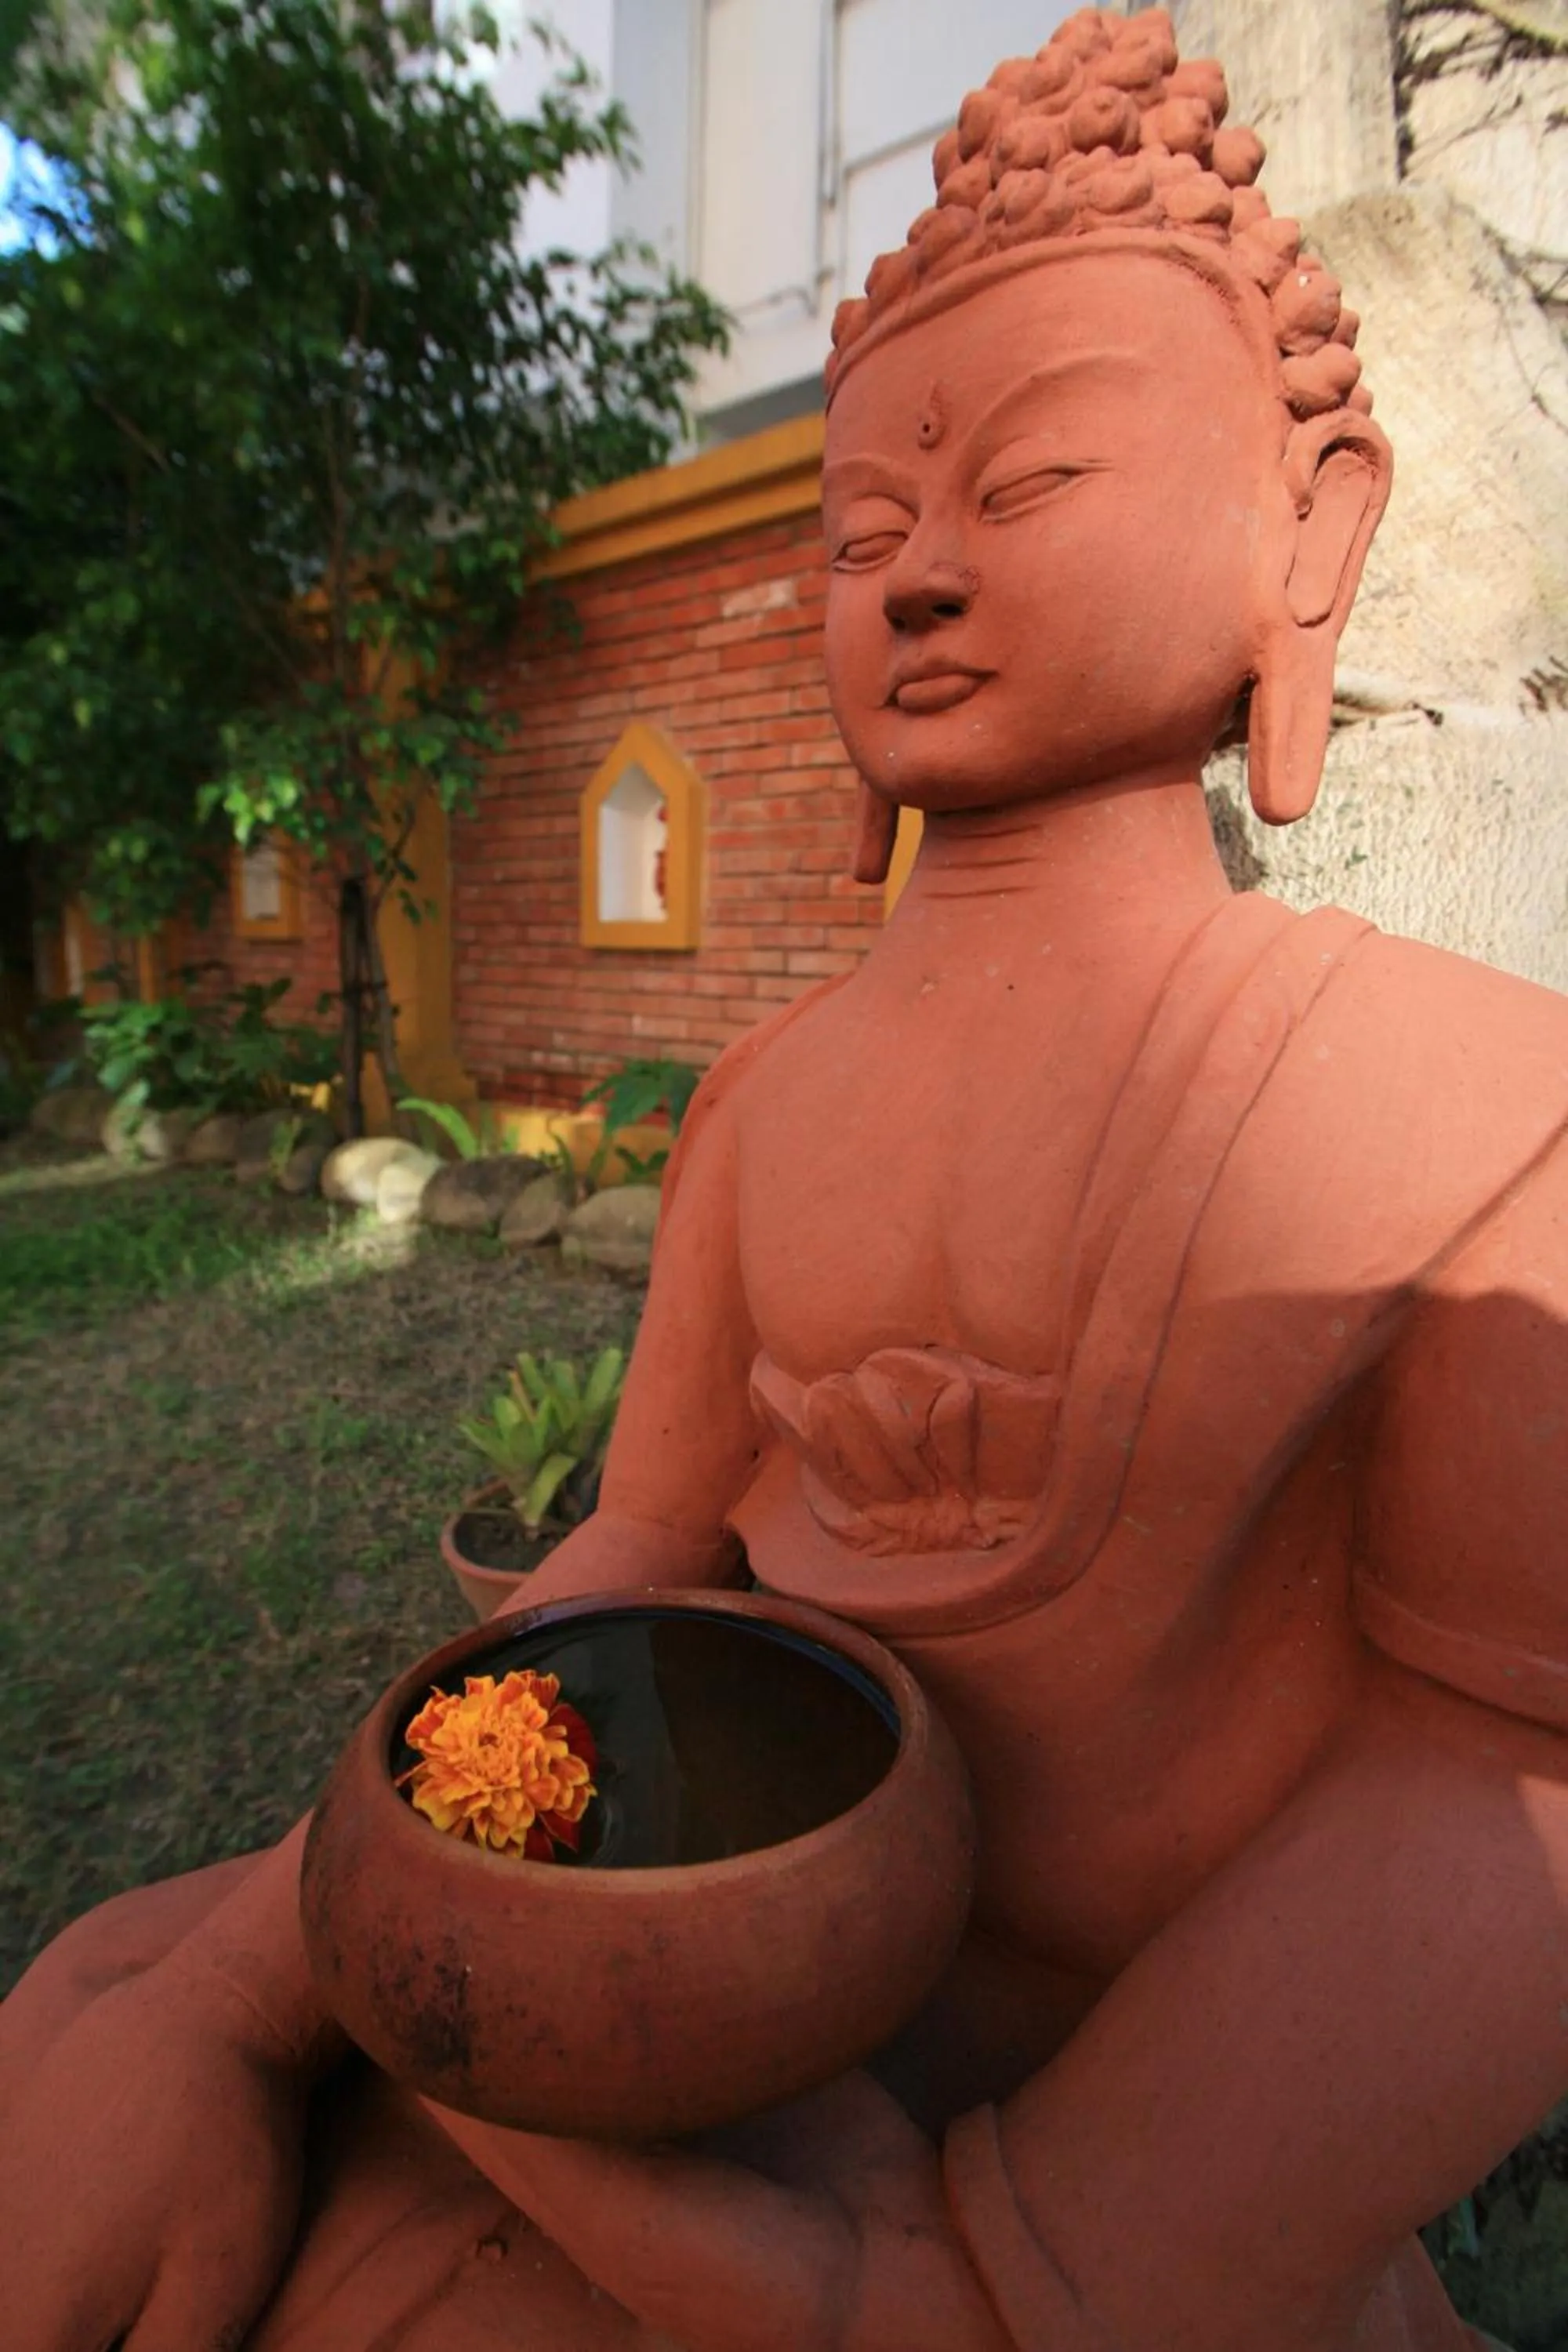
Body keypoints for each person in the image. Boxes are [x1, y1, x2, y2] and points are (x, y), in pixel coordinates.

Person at [4, 12, 1563, 2347]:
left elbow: (1509, 1786)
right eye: (860, 532)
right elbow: (637, 1555)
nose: (918, 576)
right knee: (89, 2009)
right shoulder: (766, 1101)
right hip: (717, 1984)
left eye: (1032, 482)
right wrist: (238, 2001)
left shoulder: (1470, 1103)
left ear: (1307, 531)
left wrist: (1013, 2271)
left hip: (1127, 2152)